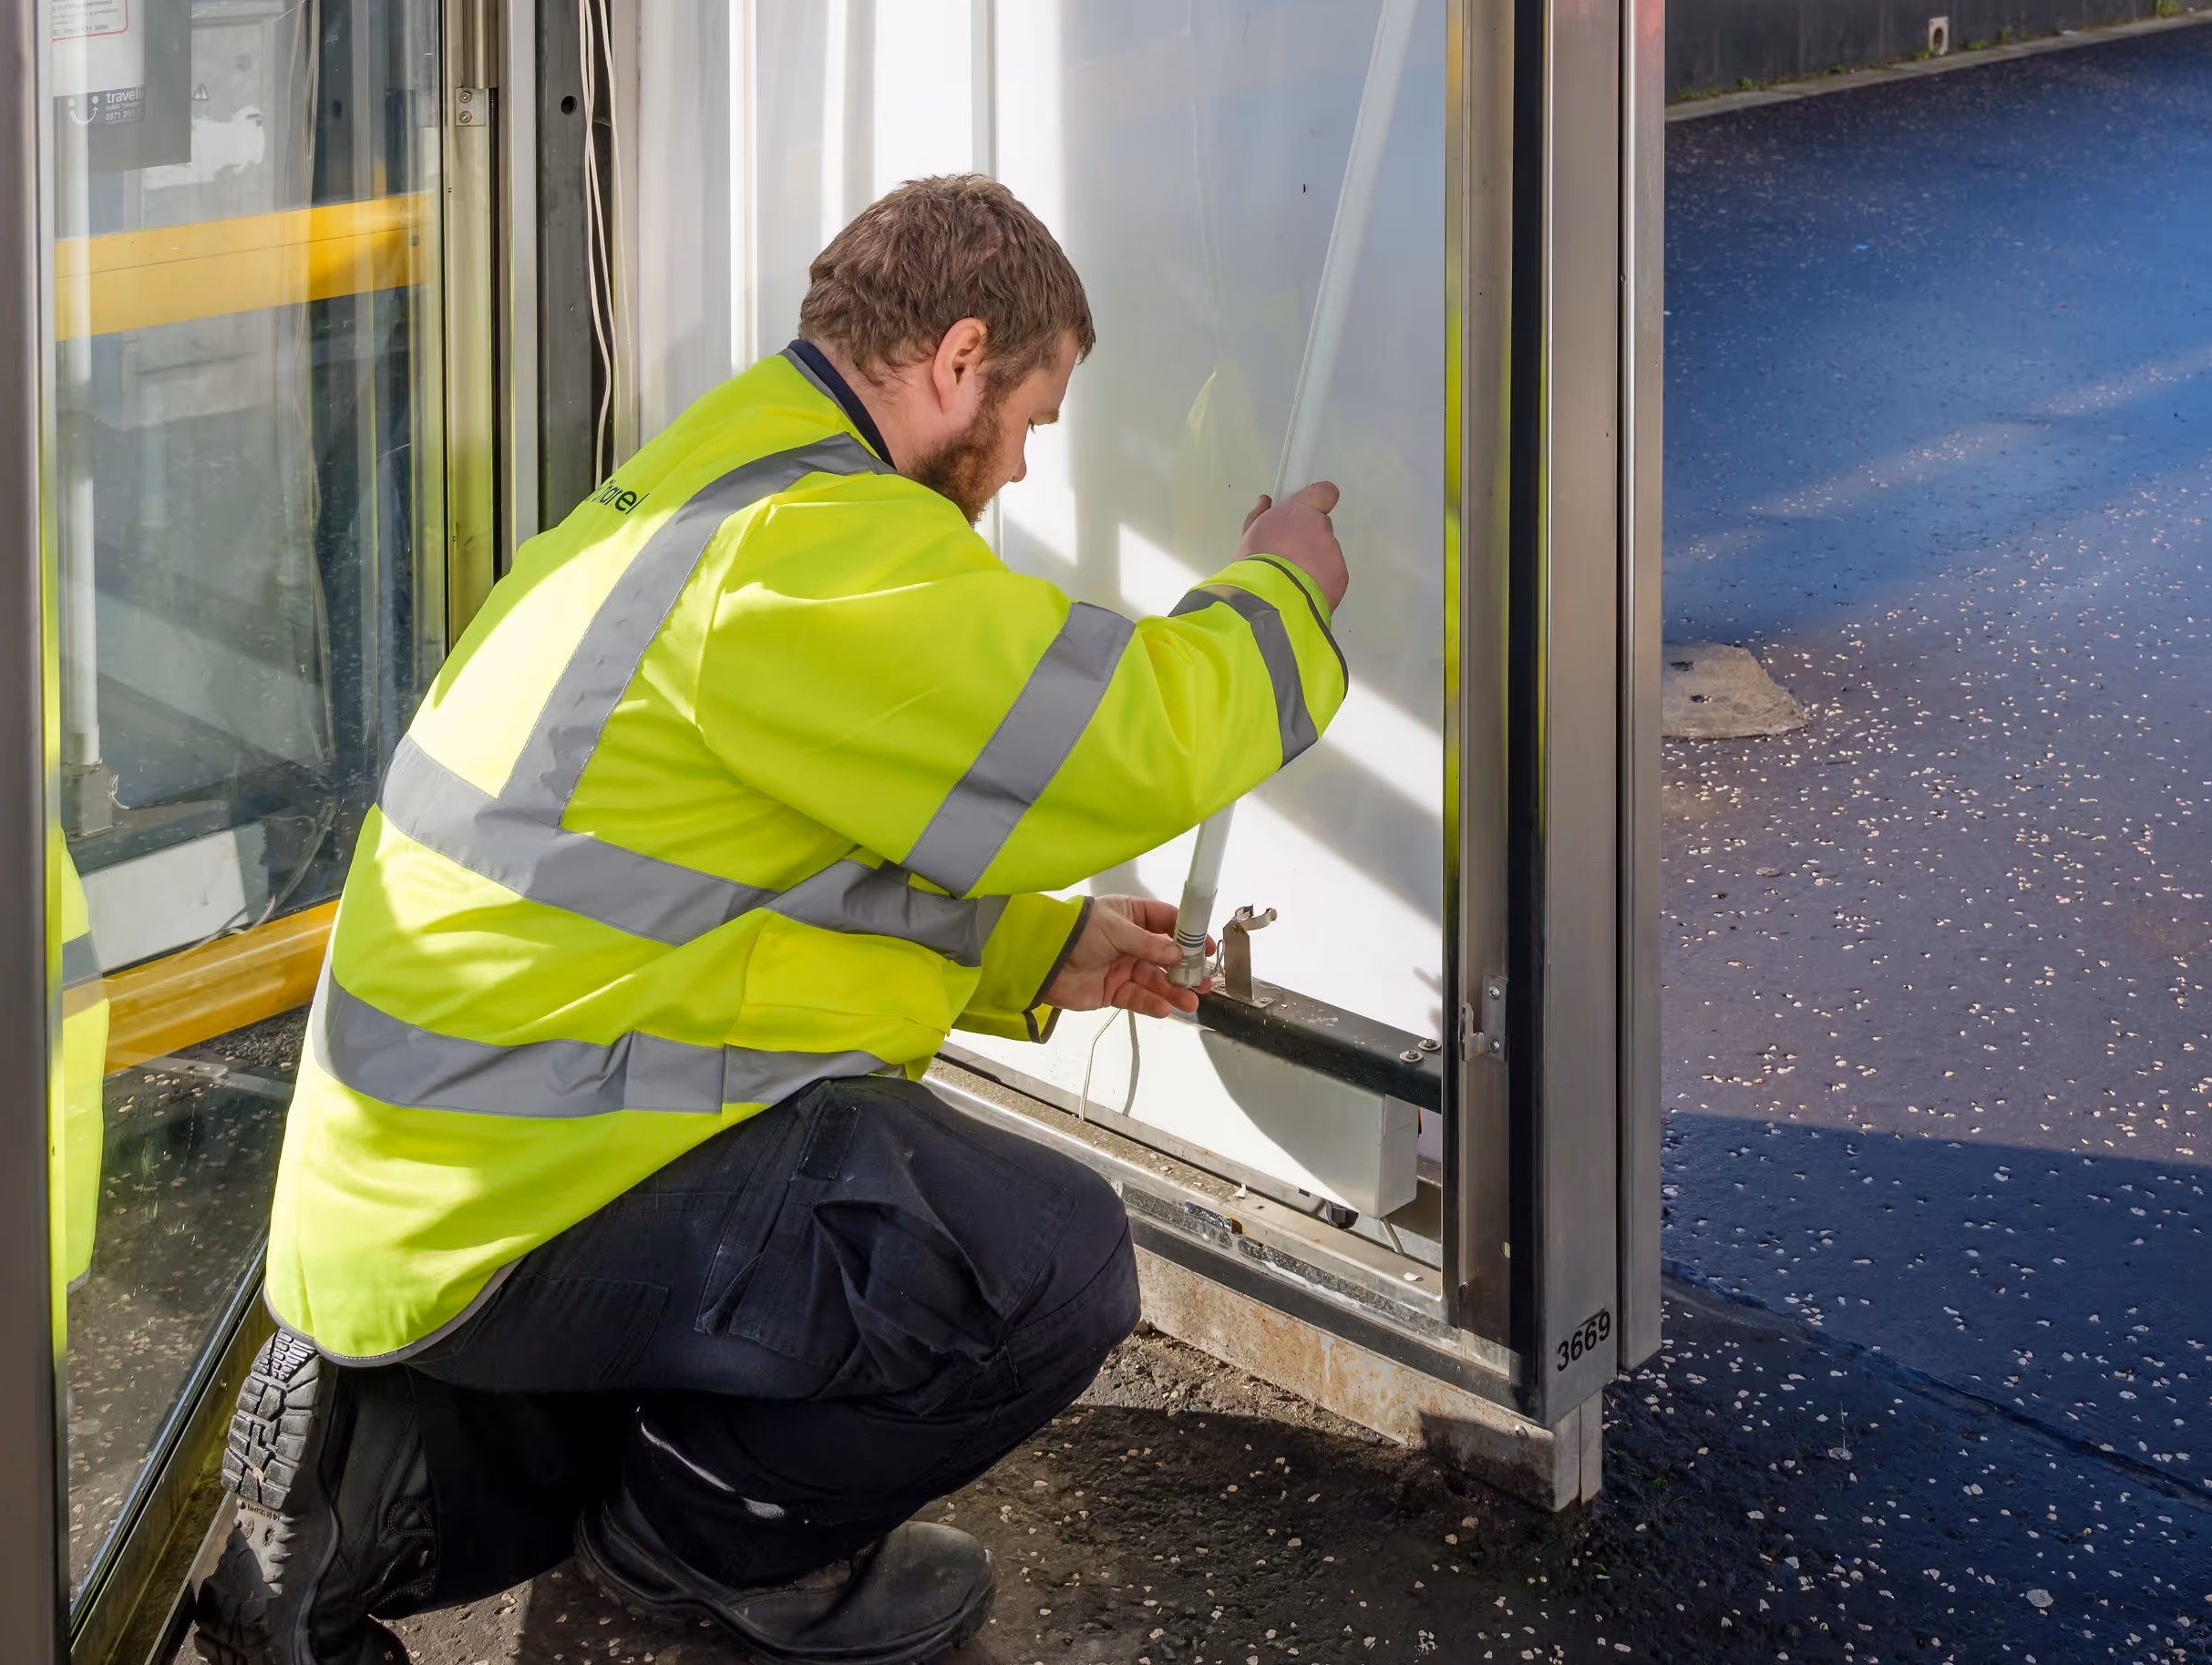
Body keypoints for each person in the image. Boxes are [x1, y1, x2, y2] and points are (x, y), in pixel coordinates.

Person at [195, 175, 1348, 1665]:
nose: (1012, 476)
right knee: (1046, 1262)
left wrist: (1033, 950)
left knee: (793, 1224)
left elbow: (751, 868)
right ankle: (697, 1543)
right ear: (959, 359)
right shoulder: (811, 553)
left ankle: (372, 1487)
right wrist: (1284, 599)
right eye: (1030, 425)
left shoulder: (700, 484)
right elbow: (1127, 740)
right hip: (519, 1195)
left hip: (412, 1188)